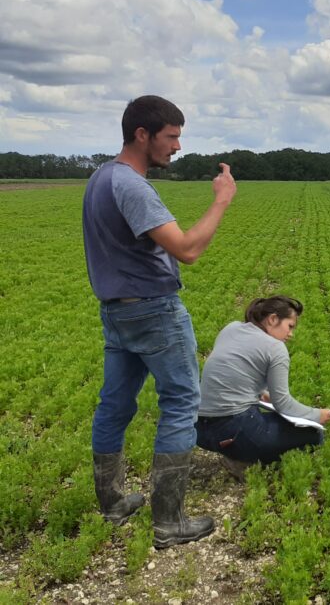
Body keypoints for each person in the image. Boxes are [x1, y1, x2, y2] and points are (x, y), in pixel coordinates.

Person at [83, 95, 235, 549]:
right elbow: (186, 249)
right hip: (153, 310)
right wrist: (222, 200)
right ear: (142, 134)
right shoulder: (131, 185)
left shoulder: (100, 178)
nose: (178, 146)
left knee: (114, 404)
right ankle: (169, 521)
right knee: (182, 402)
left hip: (116, 312)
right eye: (171, 136)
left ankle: (112, 503)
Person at [196, 296, 330, 479]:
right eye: (290, 326)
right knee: (313, 434)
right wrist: (317, 415)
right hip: (233, 431)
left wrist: (260, 393)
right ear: (273, 319)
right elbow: (283, 403)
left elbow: (228, 368)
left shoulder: (232, 328)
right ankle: (243, 460)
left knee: (269, 418)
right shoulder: (275, 348)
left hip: (198, 429)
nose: (291, 334)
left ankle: (237, 452)